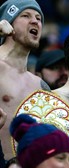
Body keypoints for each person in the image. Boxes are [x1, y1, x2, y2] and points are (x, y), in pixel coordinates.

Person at [0, 0, 51, 159]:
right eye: (25, 15)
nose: (35, 21)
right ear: (7, 24)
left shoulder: (40, 86)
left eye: (38, 18)